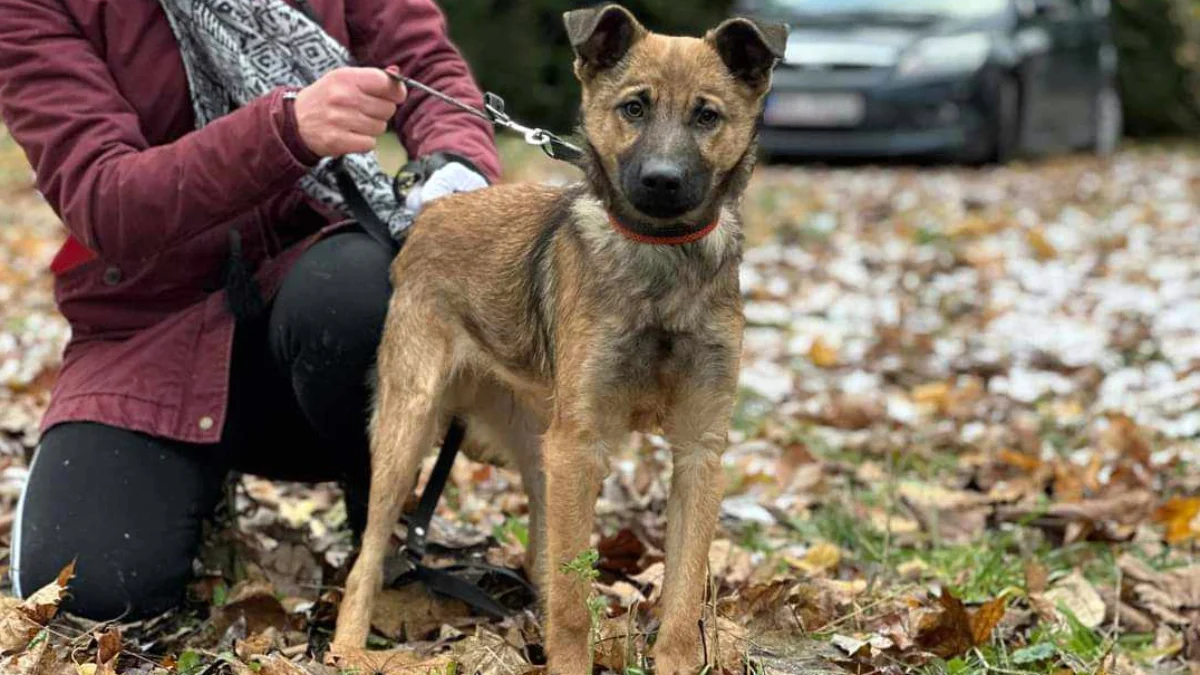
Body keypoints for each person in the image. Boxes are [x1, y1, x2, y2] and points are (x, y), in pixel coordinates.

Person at [0, 0, 500, 621]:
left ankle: (377, 508)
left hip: (313, 285)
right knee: (87, 597)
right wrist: (286, 130)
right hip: (149, 331)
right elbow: (104, 197)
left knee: (358, 300)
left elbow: (425, 65)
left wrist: (459, 166)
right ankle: (189, 488)